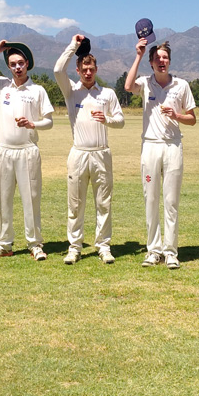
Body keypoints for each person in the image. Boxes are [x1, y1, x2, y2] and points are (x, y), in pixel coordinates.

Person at [0, 40, 53, 260]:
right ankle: (4, 244)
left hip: (28, 151)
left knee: (31, 199)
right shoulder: (0, 85)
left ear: (27, 65)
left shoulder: (37, 90)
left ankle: (35, 244)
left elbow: (50, 121)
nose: (17, 67)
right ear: (8, 66)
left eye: (21, 63)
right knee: (2, 199)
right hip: (3, 151)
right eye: (13, 64)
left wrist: (33, 124)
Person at [124, 39, 196, 269]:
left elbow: (192, 118)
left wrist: (177, 115)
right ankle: (153, 250)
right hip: (150, 145)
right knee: (151, 199)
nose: (161, 61)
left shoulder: (181, 85)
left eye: (165, 57)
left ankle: (171, 252)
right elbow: (127, 87)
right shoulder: (145, 83)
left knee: (171, 201)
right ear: (151, 63)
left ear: (169, 61)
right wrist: (138, 55)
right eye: (157, 58)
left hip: (173, 145)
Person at [53, 35, 124, 264]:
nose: (88, 73)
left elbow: (121, 121)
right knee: (75, 203)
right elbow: (56, 70)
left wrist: (108, 120)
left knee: (103, 202)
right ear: (77, 69)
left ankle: (103, 246)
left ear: (96, 69)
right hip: (79, 153)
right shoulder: (71, 91)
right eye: (84, 68)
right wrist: (73, 45)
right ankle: (74, 247)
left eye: (91, 68)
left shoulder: (108, 94)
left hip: (102, 153)